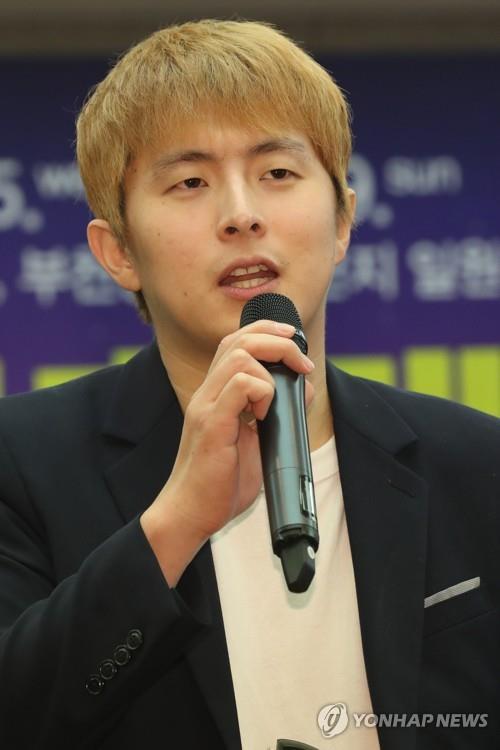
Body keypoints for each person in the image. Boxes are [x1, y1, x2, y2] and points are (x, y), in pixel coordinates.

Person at [0, 18, 498, 750]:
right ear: (119, 251)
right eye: (190, 182)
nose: (242, 215)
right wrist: (175, 523)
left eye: (278, 174)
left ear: (343, 221)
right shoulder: (20, 462)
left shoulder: (478, 464)